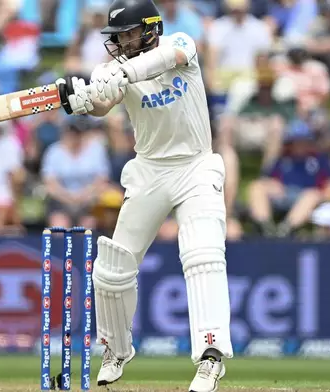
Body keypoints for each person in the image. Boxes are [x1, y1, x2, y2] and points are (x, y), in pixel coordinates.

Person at [55, 0, 232, 390]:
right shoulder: (114, 68)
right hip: (150, 170)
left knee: (202, 254)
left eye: (128, 34)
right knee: (112, 268)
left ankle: (210, 356)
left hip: (195, 166)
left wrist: (120, 73)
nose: (120, 42)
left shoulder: (181, 43)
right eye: (116, 37)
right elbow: (103, 104)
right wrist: (81, 100)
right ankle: (116, 350)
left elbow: (169, 57)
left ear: (151, 28)